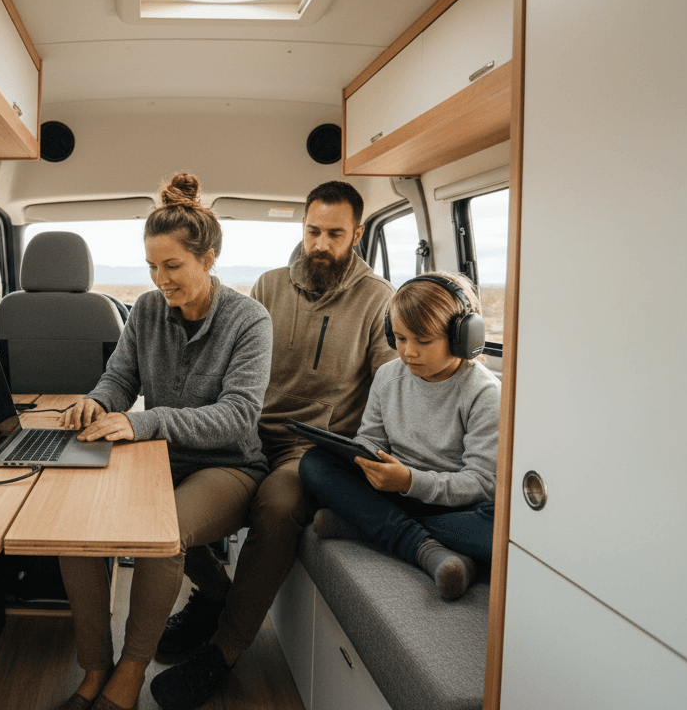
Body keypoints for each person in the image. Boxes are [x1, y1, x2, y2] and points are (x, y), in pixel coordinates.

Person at [150, 181, 398, 710]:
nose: (320, 244)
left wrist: (373, 450)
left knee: (279, 503)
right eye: (313, 231)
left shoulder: (379, 300)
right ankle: (216, 593)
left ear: (356, 234)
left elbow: (390, 386)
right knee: (156, 490)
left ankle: (225, 649)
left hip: (307, 448)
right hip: (242, 431)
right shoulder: (267, 286)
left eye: (334, 233)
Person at [54, 172, 273, 710]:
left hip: (228, 465)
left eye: (172, 266)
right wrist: (99, 403)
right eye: (152, 266)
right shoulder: (148, 309)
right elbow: (120, 378)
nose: (160, 279)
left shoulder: (250, 320)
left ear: (210, 257)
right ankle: (95, 665)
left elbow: (239, 418)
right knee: (70, 524)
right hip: (160, 458)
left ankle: (130, 672)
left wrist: (146, 423)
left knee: (164, 532)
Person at [299, 271, 500, 600]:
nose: (409, 352)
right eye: (400, 339)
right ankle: (421, 543)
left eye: (423, 341)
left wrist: (410, 481)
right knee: (314, 462)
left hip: (454, 507)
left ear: (462, 337)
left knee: (498, 528)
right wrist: (361, 458)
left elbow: (482, 483)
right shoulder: (388, 375)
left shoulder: (484, 393)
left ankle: (367, 527)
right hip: (393, 490)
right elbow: (371, 442)